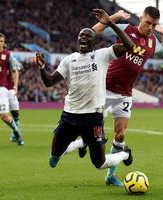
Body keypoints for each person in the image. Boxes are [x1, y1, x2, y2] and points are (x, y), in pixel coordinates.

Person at [66, 6, 163, 186]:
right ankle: (84, 142)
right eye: (148, 23)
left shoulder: (153, 42)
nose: (150, 27)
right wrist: (114, 17)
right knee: (90, 125)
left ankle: (110, 176)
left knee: (120, 135)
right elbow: (93, 31)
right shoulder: (126, 29)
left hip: (125, 94)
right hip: (103, 88)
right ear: (141, 18)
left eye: (154, 25)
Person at [37, 9, 134, 171]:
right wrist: (41, 68)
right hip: (69, 115)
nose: (83, 38)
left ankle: (124, 154)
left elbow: (129, 45)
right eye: (81, 36)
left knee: (99, 163)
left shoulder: (103, 55)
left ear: (94, 42)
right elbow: (49, 82)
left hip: (92, 117)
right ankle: (79, 144)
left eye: (88, 36)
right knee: (54, 155)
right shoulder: (69, 60)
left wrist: (110, 22)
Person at [0, 60, 22, 143]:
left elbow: (16, 70)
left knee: (15, 113)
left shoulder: (10, 59)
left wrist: (15, 85)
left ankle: (14, 135)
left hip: (10, 90)